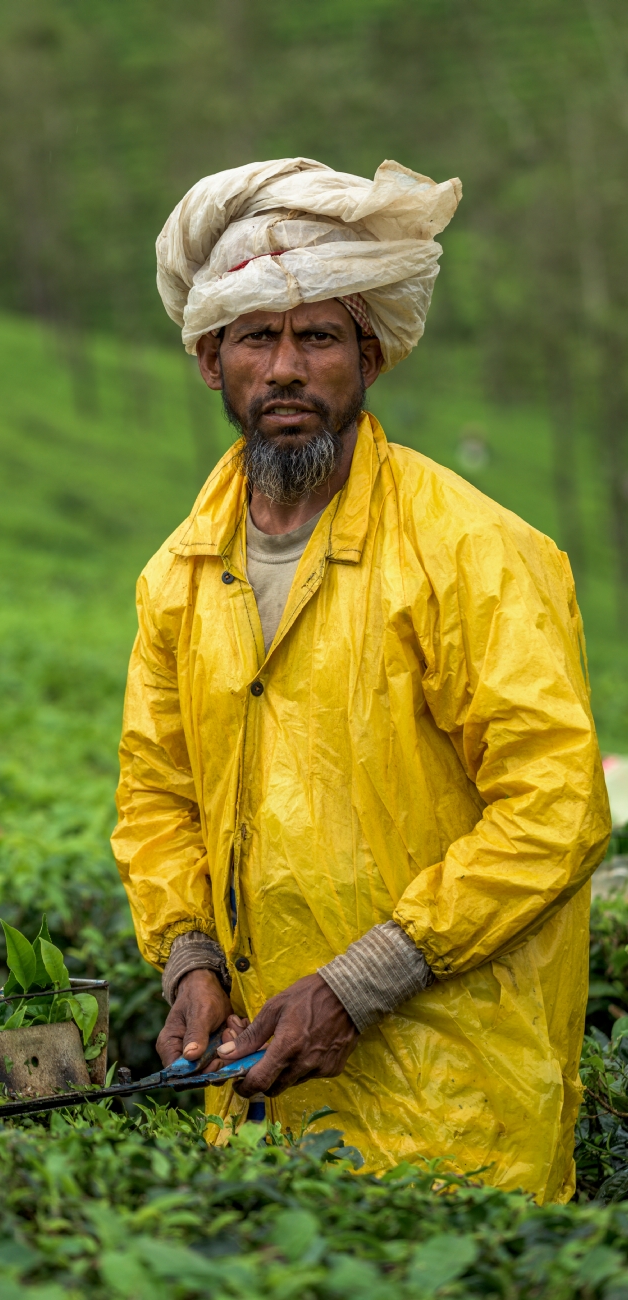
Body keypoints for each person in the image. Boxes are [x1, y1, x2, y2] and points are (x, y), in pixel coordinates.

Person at [111, 158, 610, 1202]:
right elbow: (158, 797)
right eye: (255, 336)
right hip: (259, 1099)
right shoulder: (178, 575)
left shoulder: (472, 551)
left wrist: (359, 981)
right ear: (210, 360)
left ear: (369, 355)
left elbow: (554, 807)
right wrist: (190, 959)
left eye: (317, 336)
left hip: (457, 1109)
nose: (284, 367)